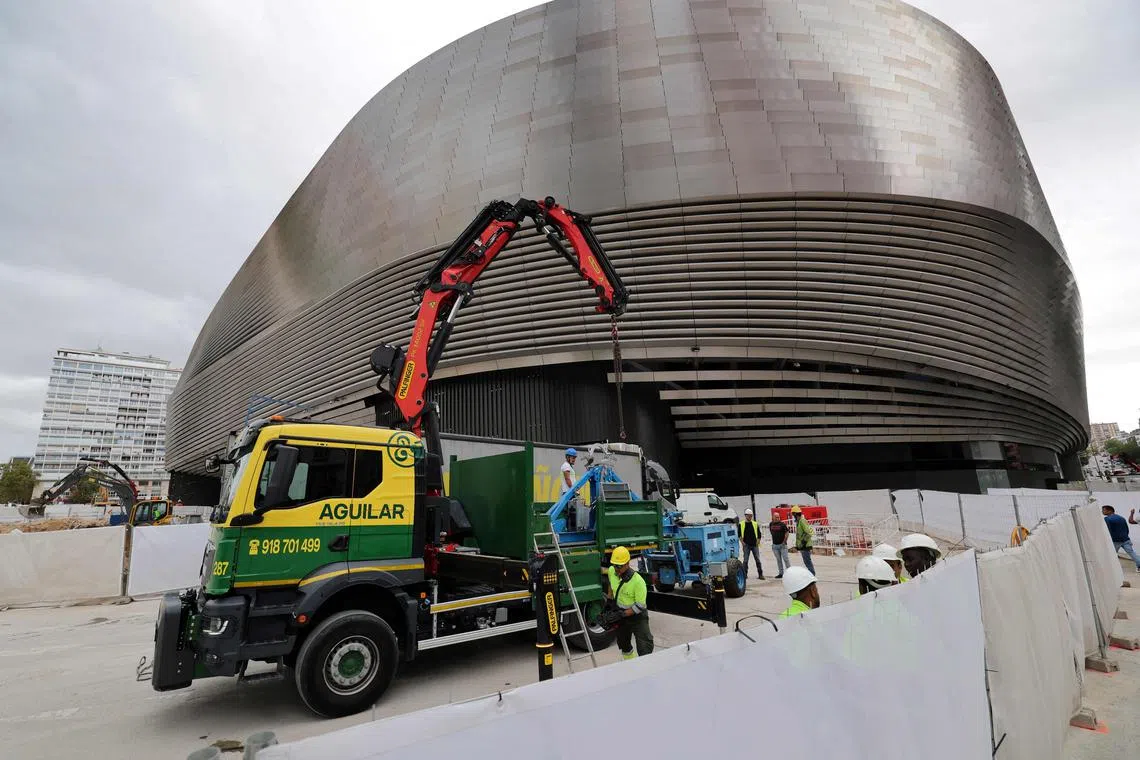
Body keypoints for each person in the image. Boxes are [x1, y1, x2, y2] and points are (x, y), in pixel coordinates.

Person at [605, 545, 653, 660]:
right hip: (621, 614)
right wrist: (609, 601)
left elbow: (640, 606)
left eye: (619, 566)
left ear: (627, 563)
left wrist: (622, 614)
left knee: (644, 646)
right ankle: (629, 664)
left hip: (637, 616)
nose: (616, 569)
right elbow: (611, 585)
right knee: (623, 644)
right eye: (614, 565)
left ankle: (645, 669)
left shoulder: (638, 582)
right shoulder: (612, 571)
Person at [1102, 505, 1140, 573]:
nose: (1102, 511)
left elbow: (1107, 530)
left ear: (1110, 510)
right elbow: (1126, 529)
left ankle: (1110, 569)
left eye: (1104, 510)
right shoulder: (1122, 518)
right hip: (1125, 539)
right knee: (1132, 554)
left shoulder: (1107, 519)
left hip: (1115, 541)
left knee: (1111, 554)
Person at [738, 509, 765, 580]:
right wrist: (742, 543)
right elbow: (739, 535)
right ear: (746, 515)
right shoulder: (741, 524)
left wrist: (758, 542)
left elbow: (759, 534)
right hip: (746, 545)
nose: (750, 517)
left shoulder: (755, 524)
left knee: (758, 560)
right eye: (749, 516)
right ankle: (744, 575)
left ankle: (760, 574)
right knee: (745, 561)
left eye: (751, 516)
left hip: (754, 545)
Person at [791, 505, 816, 575]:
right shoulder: (799, 522)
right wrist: (798, 545)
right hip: (802, 545)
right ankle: (811, 574)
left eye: (793, 514)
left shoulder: (802, 521)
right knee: (806, 561)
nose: (793, 516)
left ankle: (812, 575)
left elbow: (808, 533)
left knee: (807, 561)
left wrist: (803, 542)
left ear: (795, 514)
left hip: (805, 545)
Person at [769, 512, 790, 578]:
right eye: (776, 517)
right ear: (773, 517)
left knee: (786, 559)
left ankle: (790, 573)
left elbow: (787, 533)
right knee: (778, 560)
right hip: (775, 546)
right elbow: (771, 532)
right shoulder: (771, 524)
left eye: (778, 517)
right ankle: (781, 573)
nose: (778, 518)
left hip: (782, 545)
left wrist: (784, 541)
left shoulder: (782, 524)